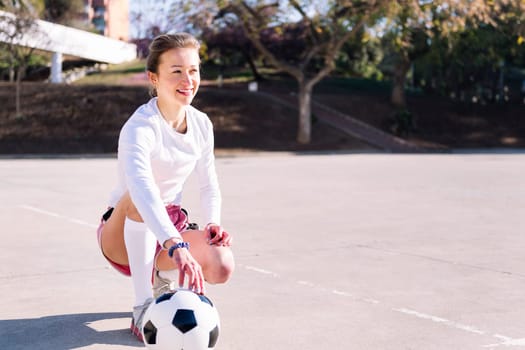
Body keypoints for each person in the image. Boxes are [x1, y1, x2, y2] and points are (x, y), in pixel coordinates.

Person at [96, 32, 235, 342]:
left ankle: (161, 277)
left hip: (170, 227)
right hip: (122, 232)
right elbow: (143, 190)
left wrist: (213, 223)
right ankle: (141, 306)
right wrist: (176, 245)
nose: (188, 80)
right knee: (139, 197)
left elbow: (209, 183)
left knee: (222, 264)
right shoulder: (140, 127)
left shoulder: (201, 123)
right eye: (176, 71)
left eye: (194, 70)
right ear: (154, 77)